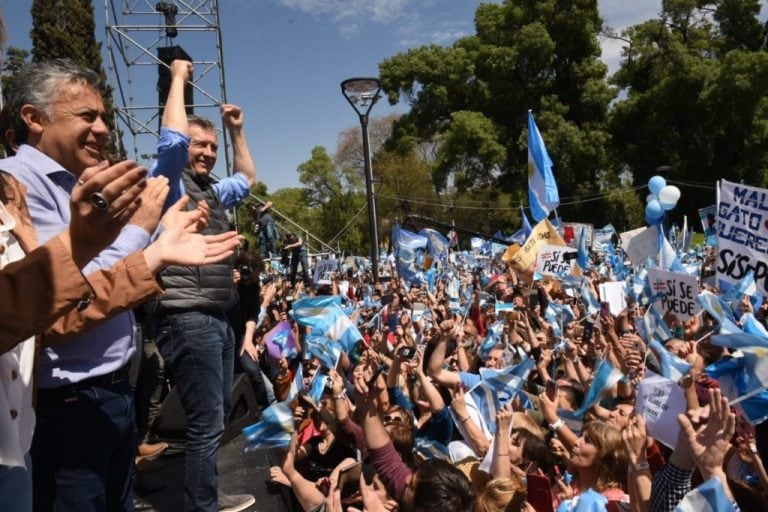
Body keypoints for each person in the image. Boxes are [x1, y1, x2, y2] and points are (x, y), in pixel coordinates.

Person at [0, 58, 242, 512]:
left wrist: (159, 237)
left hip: (111, 395)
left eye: (105, 117)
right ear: (33, 119)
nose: (103, 130)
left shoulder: (81, 182)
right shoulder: (15, 187)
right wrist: (144, 232)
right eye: (87, 116)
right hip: (66, 405)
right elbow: (66, 292)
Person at [148, 59, 257, 512]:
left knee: (211, 421)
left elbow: (248, 180)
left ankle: (206, 496)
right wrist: (177, 80)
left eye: (213, 147)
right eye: (201, 144)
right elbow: (171, 141)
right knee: (205, 423)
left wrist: (236, 131)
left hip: (216, 315)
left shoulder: (211, 189)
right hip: (186, 315)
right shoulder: (169, 182)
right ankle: (202, 506)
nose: (208, 153)